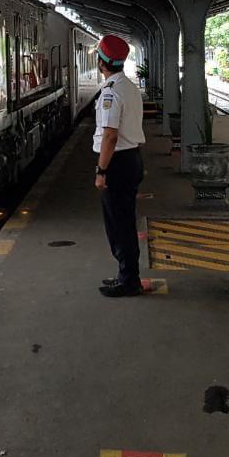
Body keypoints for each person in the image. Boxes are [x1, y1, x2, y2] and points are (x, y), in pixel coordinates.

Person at [93, 34, 147, 297]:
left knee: (119, 225)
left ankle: (129, 281)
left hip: (118, 163)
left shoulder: (111, 92)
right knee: (124, 221)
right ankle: (126, 275)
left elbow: (110, 136)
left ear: (101, 62)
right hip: (131, 158)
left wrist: (101, 171)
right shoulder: (128, 87)